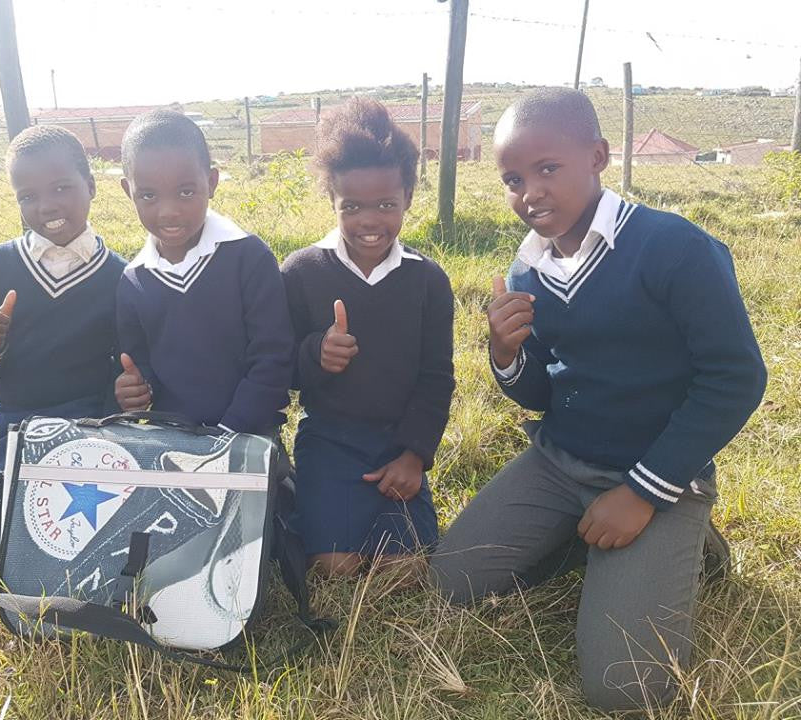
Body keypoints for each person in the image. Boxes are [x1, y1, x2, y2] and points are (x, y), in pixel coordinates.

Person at [430, 88, 767, 711]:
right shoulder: (529, 269)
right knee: (454, 579)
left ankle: (691, 543)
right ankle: (603, 544)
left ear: (598, 156)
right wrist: (507, 355)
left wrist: (641, 494)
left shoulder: (673, 248)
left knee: (625, 689)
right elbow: (542, 393)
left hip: (654, 472)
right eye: (512, 178)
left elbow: (737, 378)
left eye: (547, 169)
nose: (529, 191)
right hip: (560, 462)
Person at [281, 98, 455, 577]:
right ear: (332, 201)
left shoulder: (428, 281)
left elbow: (437, 377)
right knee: (334, 568)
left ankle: (395, 509)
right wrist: (316, 353)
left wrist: (415, 455)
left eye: (386, 205)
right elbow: (280, 370)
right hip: (329, 441)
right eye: (351, 206)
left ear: (407, 199)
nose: (369, 221)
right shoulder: (301, 272)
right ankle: (305, 497)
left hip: (398, 445)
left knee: (404, 572)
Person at [0, 125, 126, 566]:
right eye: (28, 196)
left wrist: (125, 395)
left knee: (83, 540)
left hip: (89, 431)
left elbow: (121, 370)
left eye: (62, 187)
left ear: (92, 186)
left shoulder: (121, 276)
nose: (46, 206)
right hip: (15, 430)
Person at [114, 109, 293, 435]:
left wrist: (226, 433)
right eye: (149, 195)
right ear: (129, 192)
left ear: (211, 183)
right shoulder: (134, 281)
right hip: (173, 436)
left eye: (186, 192)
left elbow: (274, 358)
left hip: (248, 433)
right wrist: (137, 390)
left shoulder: (249, 258)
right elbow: (141, 364)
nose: (168, 212)